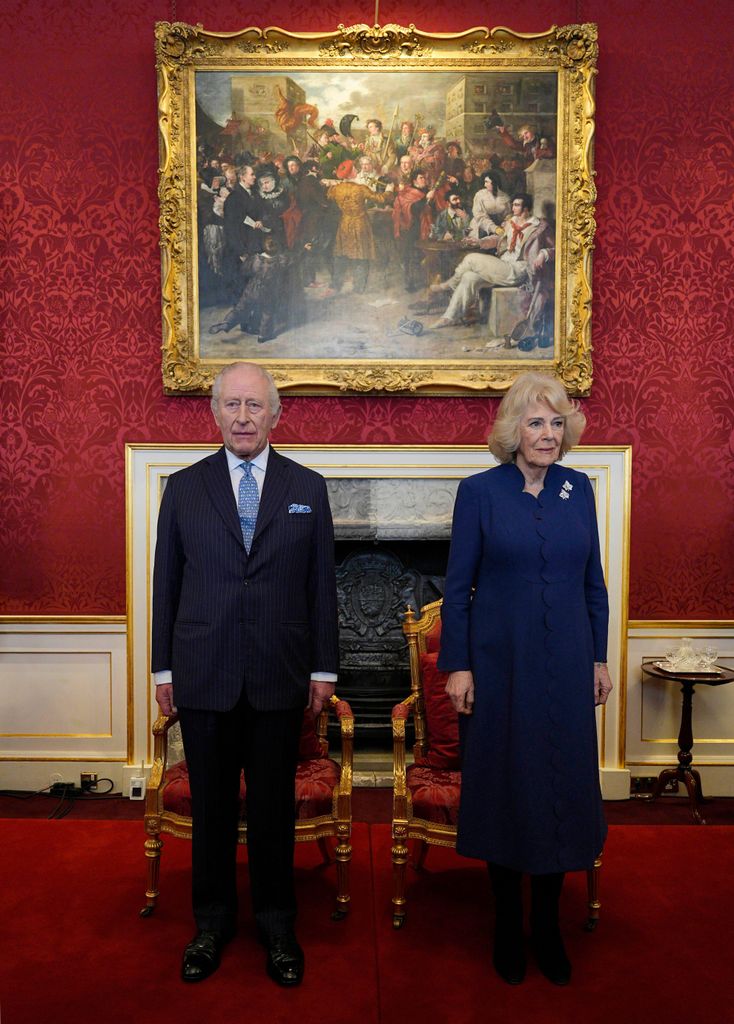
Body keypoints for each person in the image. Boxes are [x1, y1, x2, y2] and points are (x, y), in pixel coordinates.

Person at [152, 362, 339, 988]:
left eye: (254, 405)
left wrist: (323, 668)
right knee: (210, 809)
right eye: (231, 404)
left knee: (270, 811)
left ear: (276, 414)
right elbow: (166, 588)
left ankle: (278, 924)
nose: (242, 416)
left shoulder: (307, 488)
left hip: (278, 677)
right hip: (202, 674)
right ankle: (210, 922)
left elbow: (321, 589)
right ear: (214, 413)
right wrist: (162, 668)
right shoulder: (182, 488)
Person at [438, 371, 612, 988]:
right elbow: (457, 589)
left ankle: (547, 924)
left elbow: (594, 582)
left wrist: (598, 658)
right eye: (535, 422)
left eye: (556, 422)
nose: (547, 433)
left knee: (560, 787)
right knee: (508, 787)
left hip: (567, 665)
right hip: (499, 665)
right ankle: (507, 922)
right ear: (512, 433)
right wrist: (457, 664)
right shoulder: (480, 492)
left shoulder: (579, 489)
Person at [429, 193, 554, 342]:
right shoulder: (511, 223)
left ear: (526, 209)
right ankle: (450, 317)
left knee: (470, 258)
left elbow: (556, 248)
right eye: (513, 204)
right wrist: (478, 242)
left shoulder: (539, 227)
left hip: (519, 269)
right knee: (469, 277)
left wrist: (543, 254)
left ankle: (448, 285)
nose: (513, 208)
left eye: (517, 205)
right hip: (503, 265)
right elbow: (498, 240)